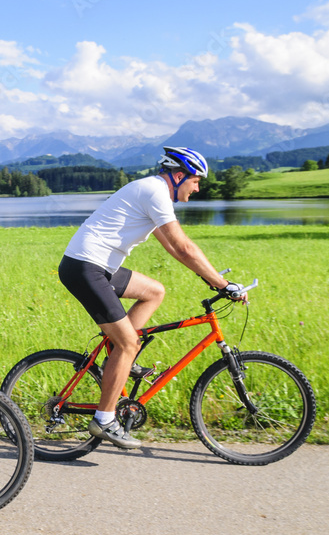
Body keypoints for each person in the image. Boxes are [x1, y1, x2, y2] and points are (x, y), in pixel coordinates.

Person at [59, 146, 247, 450]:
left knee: (154, 291)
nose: (197, 187)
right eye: (195, 180)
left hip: (98, 267)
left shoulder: (152, 192)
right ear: (177, 175)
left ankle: (118, 358)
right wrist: (223, 284)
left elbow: (173, 248)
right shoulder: (153, 191)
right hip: (86, 269)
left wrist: (210, 279)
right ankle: (104, 420)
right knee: (128, 342)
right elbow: (184, 247)